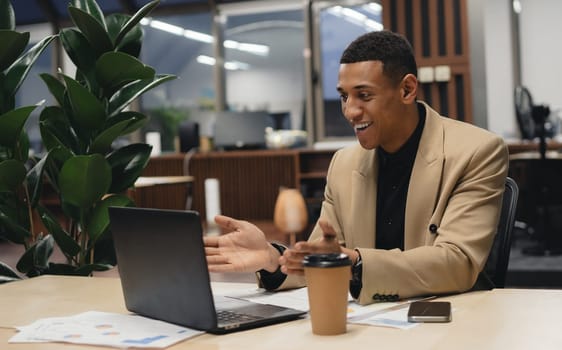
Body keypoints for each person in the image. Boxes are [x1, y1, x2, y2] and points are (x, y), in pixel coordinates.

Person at [204, 30, 508, 305]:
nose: (350, 111)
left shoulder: (476, 151)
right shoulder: (343, 164)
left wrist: (354, 262)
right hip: (371, 324)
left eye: (364, 95)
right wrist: (272, 258)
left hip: (452, 319)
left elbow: (457, 263)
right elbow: (319, 258)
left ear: (407, 90)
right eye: (343, 96)